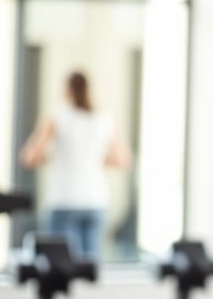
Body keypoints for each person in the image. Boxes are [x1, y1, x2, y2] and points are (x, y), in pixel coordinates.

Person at [20, 71, 132, 260]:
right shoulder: (104, 118)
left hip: (65, 200)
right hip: (95, 200)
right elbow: (123, 160)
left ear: (67, 89)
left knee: (62, 266)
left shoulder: (57, 116)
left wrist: (54, 158)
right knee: (89, 269)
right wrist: (93, 160)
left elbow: (29, 157)